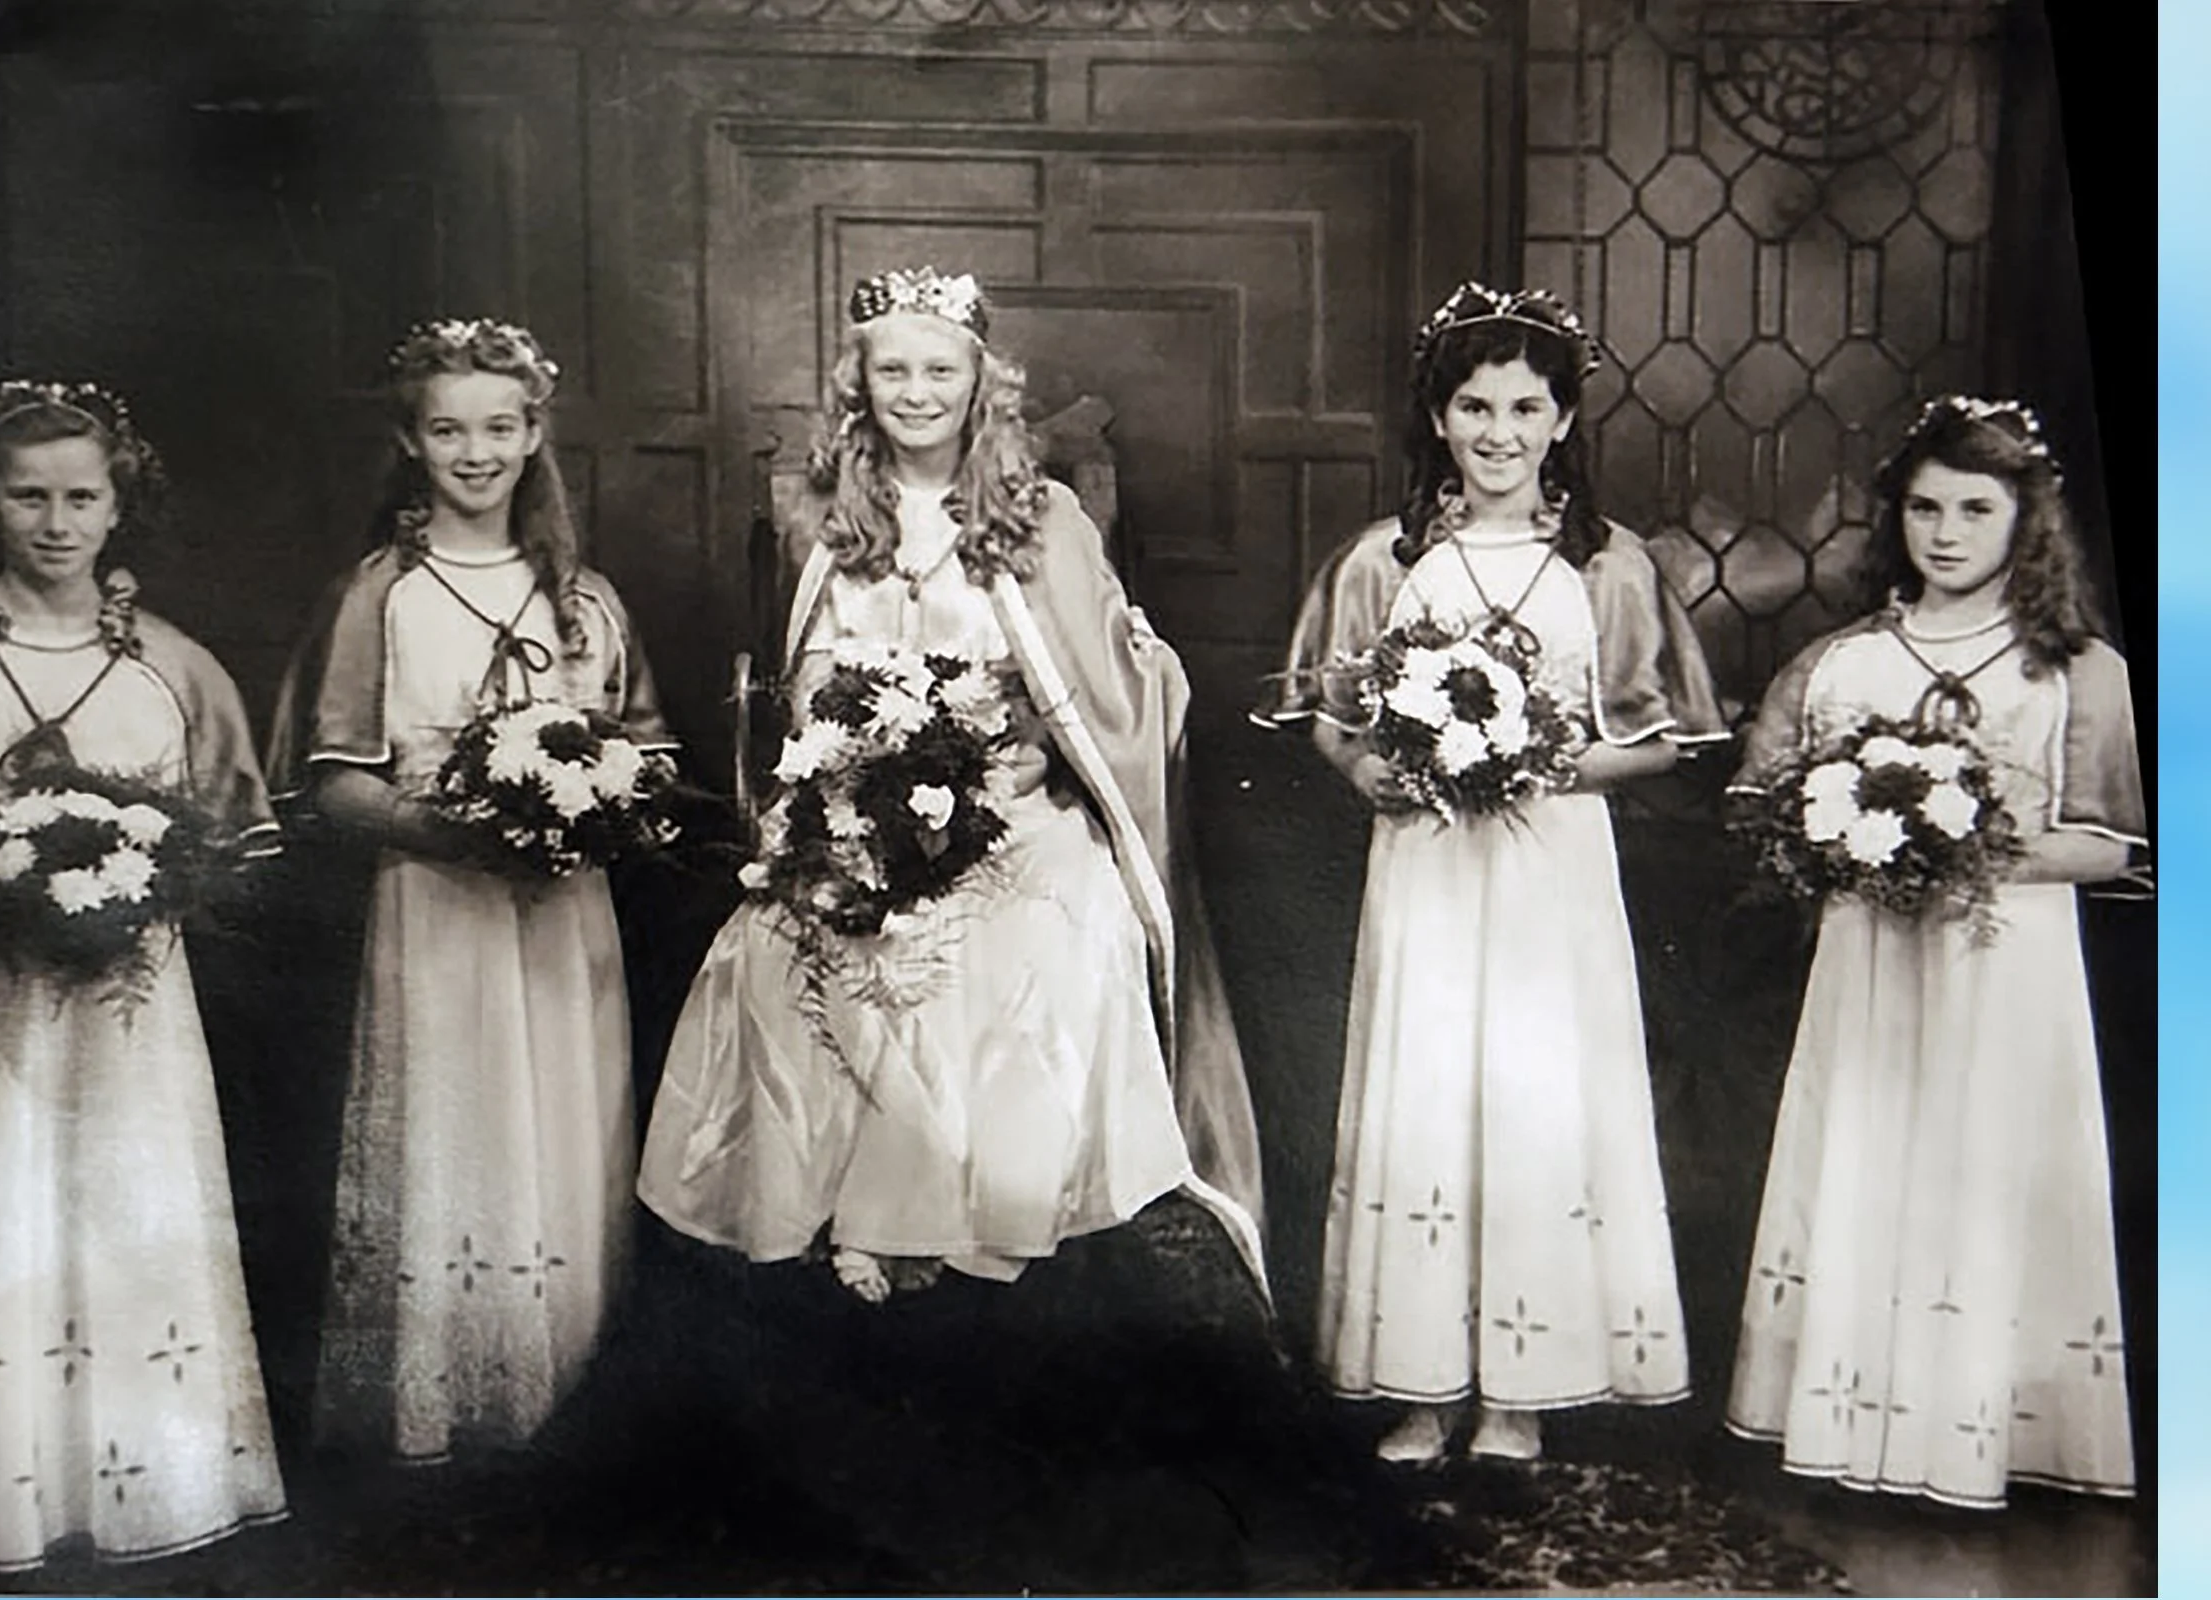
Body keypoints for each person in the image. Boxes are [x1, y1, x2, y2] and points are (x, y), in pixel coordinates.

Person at [637, 265, 1265, 1303]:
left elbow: (1091, 682)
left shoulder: (1040, 514)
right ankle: (849, 1223)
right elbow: (805, 686)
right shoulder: (827, 518)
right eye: (893, 370)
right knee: (785, 943)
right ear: (860, 383)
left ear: (982, 384)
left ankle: (981, 1221)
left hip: (1013, 806)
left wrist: (1020, 748)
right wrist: (844, 790)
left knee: (1038, 933)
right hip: (857, 808)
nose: (916, 392)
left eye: (940, 370)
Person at [1259, 283, 1725, 1462]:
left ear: (1565, 420)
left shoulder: (1609, 569)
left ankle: (1521, 1384)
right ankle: (1421, 1379)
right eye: (1474, 406)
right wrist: (1364, 767)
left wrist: (1542, 765)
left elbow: (1667, 734)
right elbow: (1329, 709)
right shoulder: (1387, 559)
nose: (1500, 433)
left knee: (1533, 1095)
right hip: (1423, 865)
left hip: (1548, 876)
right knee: (1428, 1087)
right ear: (1438, 417)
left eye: (1527, 407)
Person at [0, 380, 287, 1571]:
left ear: (120, 506)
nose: (55, 522)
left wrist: (147, 886)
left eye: (80, 496)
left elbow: (246, 850)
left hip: (133, 1016)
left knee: (132, 1211)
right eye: (28, 497)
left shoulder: (175, 667)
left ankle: (152, 1484)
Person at [1724, 396, 2145, 1507]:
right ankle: (1849, 1417)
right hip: (1870, 970)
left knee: (1989, 1171)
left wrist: (1967, 846)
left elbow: (2107, 846)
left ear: (2027, 520)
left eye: (1974, 508)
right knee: (1869, 1154)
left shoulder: (2073, 670)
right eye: (1923, 507)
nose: (1945, 532)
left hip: (2005, 977)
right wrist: (1856, 845)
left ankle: (1978, 1430)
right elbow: (1766, 810)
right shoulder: (1845, 663)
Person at [266, 318, 668, 1463]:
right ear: (411, 441)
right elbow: (334, 779)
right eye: (448, 430)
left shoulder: (583, 599)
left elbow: (653, 756)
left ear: (536, 434)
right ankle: (447, 1405)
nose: (476, 452)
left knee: (565, 1126)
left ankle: (567, 1395)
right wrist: (452, 830)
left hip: (560, 913)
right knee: (457, 1127)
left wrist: (586, 806)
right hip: (434, 909)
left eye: (500, 427)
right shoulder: (380, 595)